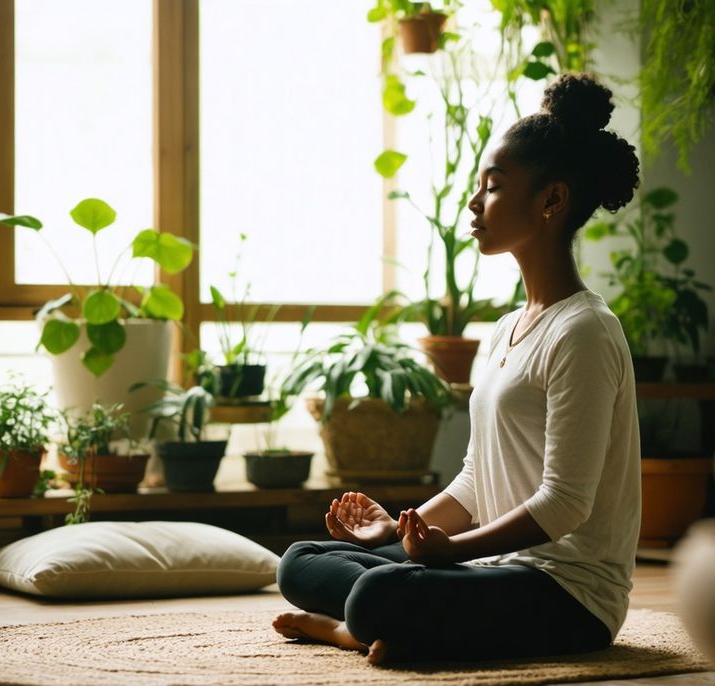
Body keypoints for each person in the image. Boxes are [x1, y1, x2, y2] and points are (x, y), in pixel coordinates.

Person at [272, 73, 642, 666]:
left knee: (375, 592)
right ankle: (396, 625)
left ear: (552, 200)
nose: (474, 204)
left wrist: (452, 554)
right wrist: (397, 531)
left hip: (566, 593)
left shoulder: (585, 332)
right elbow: (476, 478)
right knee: (300, 561)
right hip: (486, 569)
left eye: (493, 188)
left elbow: (565, 503)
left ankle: (355, 628)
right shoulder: (502, 330)